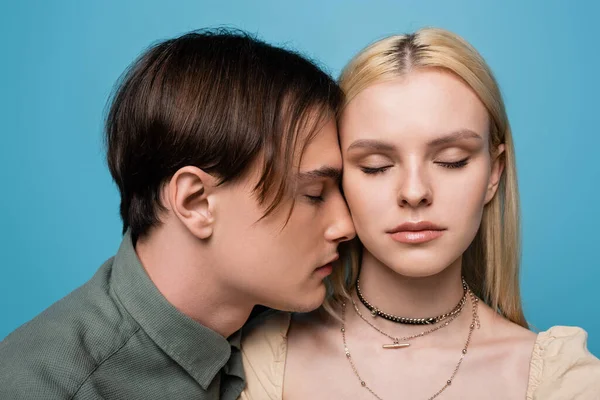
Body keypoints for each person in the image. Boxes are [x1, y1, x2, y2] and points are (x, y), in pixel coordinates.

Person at [240, 27, 600, 400]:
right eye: (376, 166)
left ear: (494, 174)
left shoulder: (561, 380)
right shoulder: (260, 359)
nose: (414, 192)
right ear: (338, 177)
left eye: (451, 161)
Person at [0, 28, 355, 400]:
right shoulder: (50, 386)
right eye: (314, 194)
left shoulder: (285, 328)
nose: (345, 225)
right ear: (195, 202)